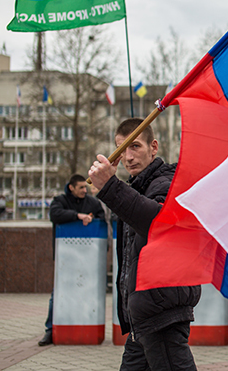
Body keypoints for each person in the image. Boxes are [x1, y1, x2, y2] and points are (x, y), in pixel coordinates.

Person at [88, 118, 201, 370]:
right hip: (145, 314)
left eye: (135, 146)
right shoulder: (136, 188)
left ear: (154, 147)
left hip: (162, 311)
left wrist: (110, 186)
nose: (128, 157)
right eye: (121, 149)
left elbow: (157, 223)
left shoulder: (166, 183)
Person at [40, 174, 106, 346]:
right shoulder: (60, 200)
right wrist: (78, 216)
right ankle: (50, 330)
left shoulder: (93, 203)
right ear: (71, 187)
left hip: (89, 258)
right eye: (81, 187)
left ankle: (83, 328)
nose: (85, 190)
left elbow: (102, 221)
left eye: (85, 187)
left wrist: (91, 220)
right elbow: (55, 214)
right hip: (65, 258)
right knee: (58, 294)